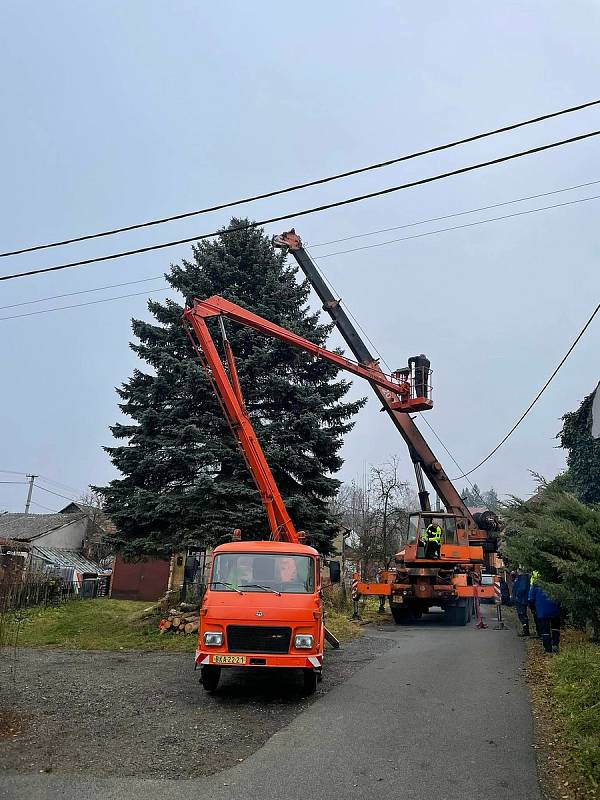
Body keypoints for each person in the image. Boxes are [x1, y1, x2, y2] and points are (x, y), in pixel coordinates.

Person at [529, 580, 561, 654]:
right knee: (555, 628)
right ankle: (555, 644)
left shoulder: (535, 586)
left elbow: (531, 599)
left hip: (542, 612)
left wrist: (533, 609)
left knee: (545, 630)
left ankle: (548, 648)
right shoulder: (555, 584)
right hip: (555, 610)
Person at [511, 569, 531, 636]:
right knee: (521, 615)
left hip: (521, 600)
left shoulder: (523, 578)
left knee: (522, 615)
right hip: (520, 599)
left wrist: (517, 595)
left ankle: (525, 631)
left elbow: (522, 588)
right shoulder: (520, 578)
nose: (516, 571)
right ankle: (525, 630)